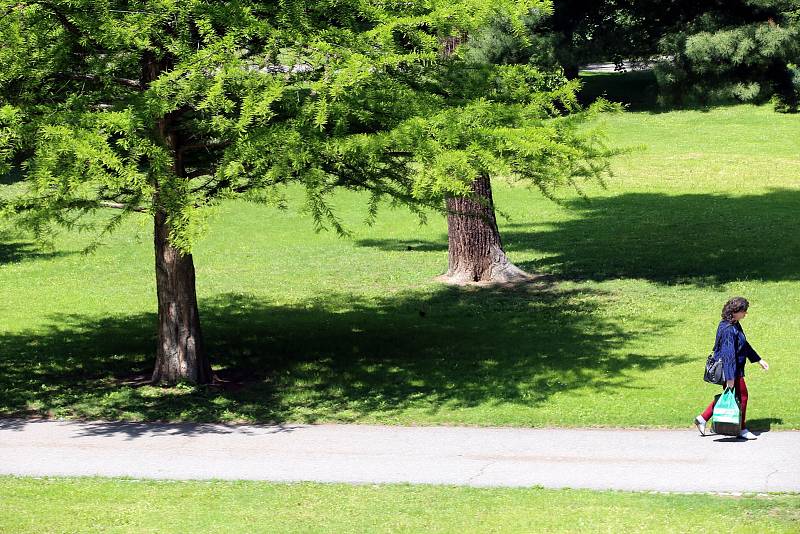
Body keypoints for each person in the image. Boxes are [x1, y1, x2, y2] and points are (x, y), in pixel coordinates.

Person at [694, 297, 769, 440]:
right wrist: (730, 378)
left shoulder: (733, 324)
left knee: (729, 397)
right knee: (742, 396)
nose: (745, 314)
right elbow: (728, 355)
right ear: (735, 311)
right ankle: (741, 429)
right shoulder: (729, 329)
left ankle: (702, 418)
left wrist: (758, 359)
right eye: (744, 311)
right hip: (731, 370)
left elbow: (744, 345)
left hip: (734, 369)